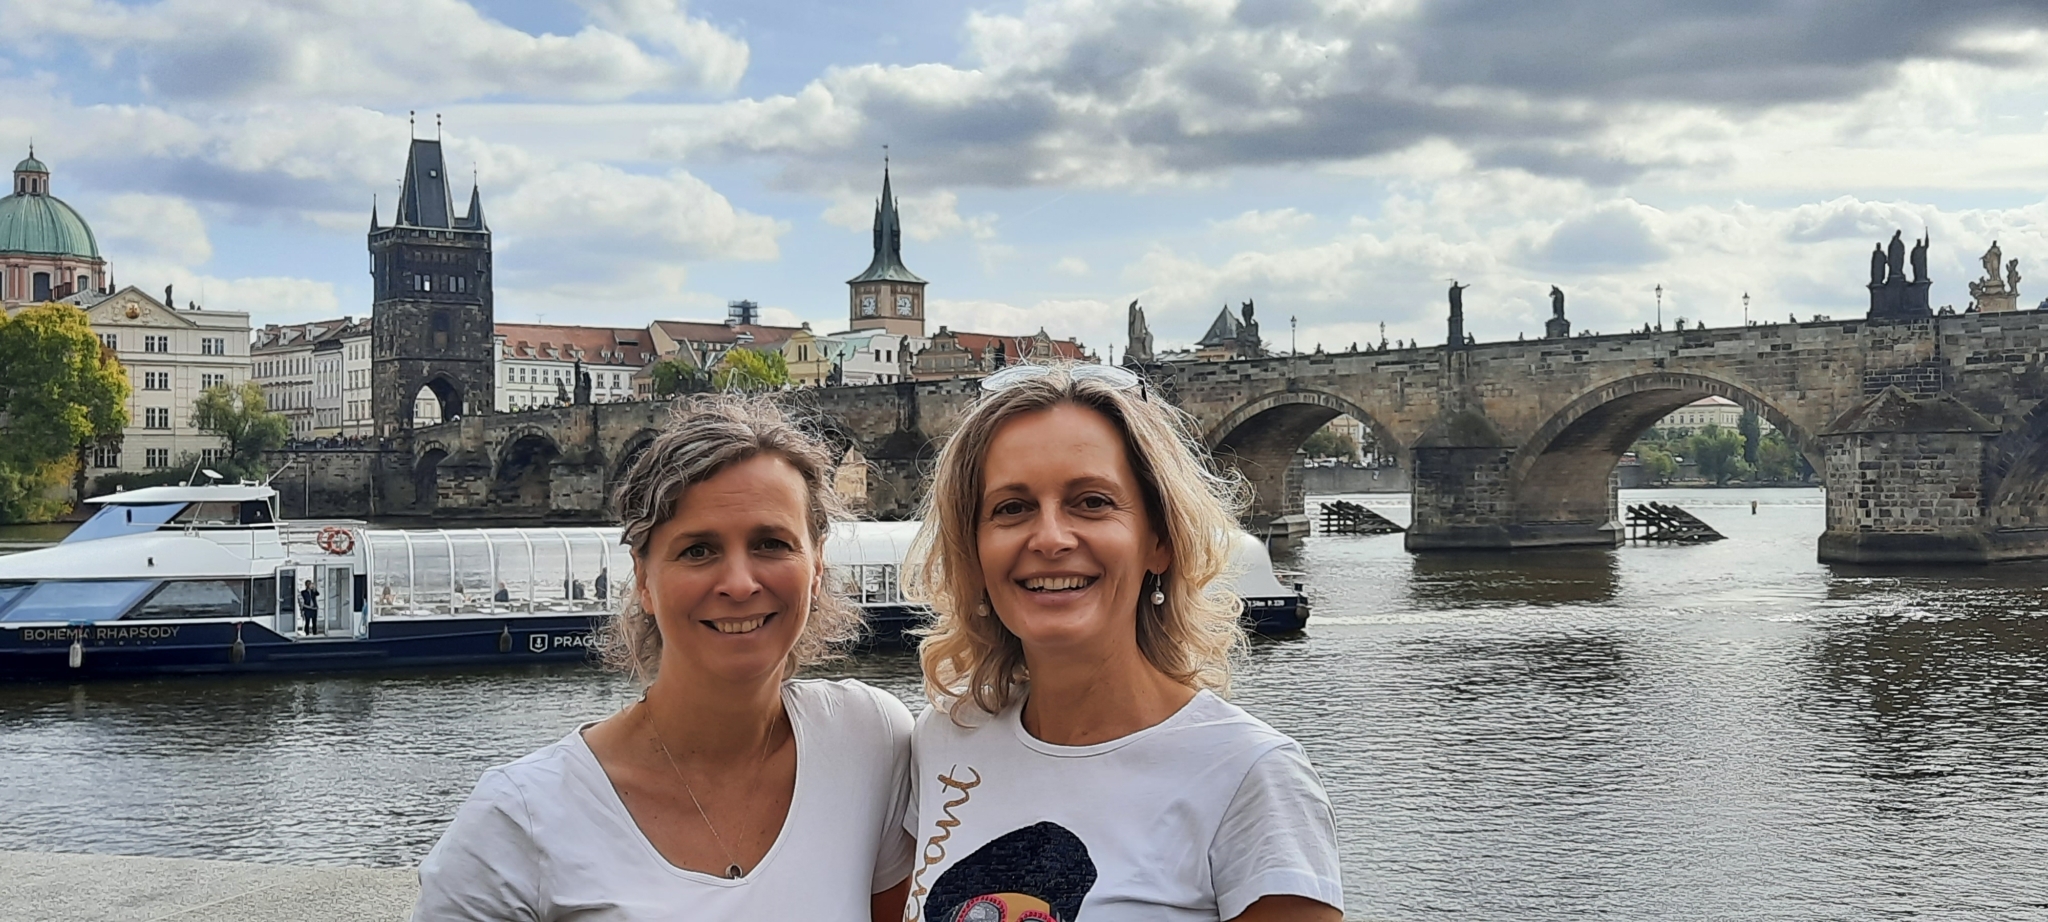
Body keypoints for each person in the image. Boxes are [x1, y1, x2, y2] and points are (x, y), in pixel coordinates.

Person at [414, 395, 915, 920]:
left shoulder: (870, 740)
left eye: (771, 543)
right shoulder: (517, 820)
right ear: (644, 580)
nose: (740, 584)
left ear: (816, 566)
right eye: (698, 550)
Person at [903, 362, 1342, 922]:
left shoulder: (1251, 776)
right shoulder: (944, 739)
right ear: (975, 552)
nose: (1051, 538)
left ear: (1158, 541)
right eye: (1012, 508)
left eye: (1092, 502)